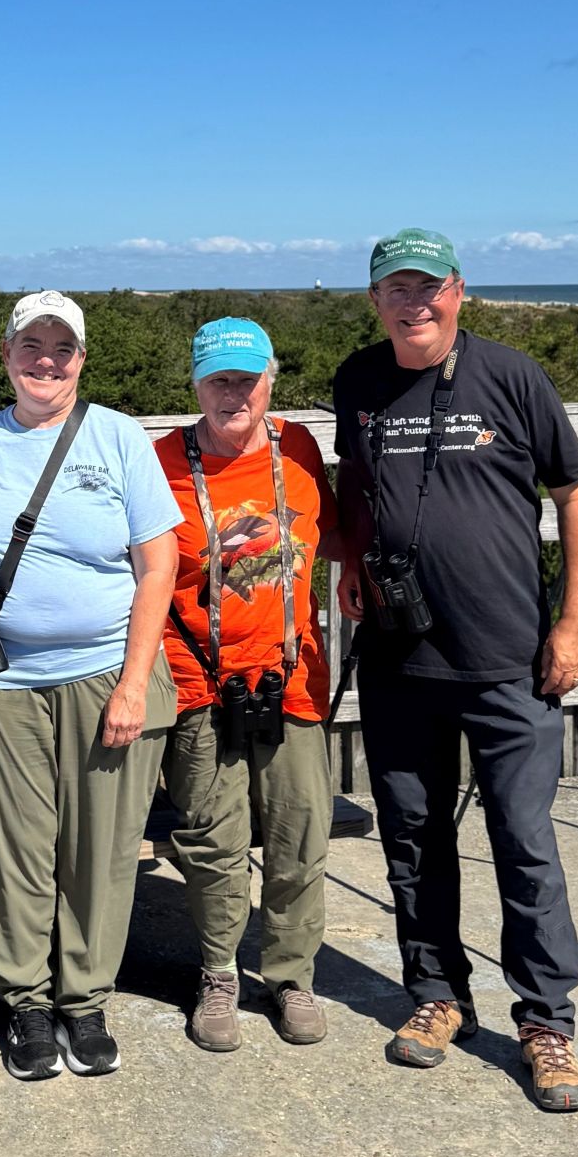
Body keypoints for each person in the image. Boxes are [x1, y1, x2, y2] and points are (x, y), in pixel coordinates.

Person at [332, 228, 578, 1111]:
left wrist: (573, 623)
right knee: (413, 838)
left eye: (427, 286)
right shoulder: (358, 381)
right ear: (374, 301)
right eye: (394, 290)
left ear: (459, 290)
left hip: (509, 660)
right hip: (403, 660)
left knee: (525, 845)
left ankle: (546, 1022)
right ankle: (437, 995)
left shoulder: (513, 376)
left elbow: (575, 492)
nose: (413, 303)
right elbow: (356, 496)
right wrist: (351, 570)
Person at [0, 290, 181, 1080]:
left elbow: (160, 564)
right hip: (5, 682)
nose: (44, 360)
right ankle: (24, 1001)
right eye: (31, 345)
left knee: (101, 847)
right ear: (7, 354)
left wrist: (131, 684)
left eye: (61, 348)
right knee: (12, 850)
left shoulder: (119, 438)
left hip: (104, 673)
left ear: (81, 358)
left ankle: (84, 999)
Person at [156, 318, 341, 1053]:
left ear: (271, 381)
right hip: (203, 678)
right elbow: (148, 575)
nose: (233, 394)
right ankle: (219, 972)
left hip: (290, 676)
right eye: (218, 380)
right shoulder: (165, 460)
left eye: (247, 379)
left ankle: (291, 973)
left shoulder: (297, 448)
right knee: (212, 838)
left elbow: (338, 532)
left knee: (300, 832)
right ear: (196, 385)